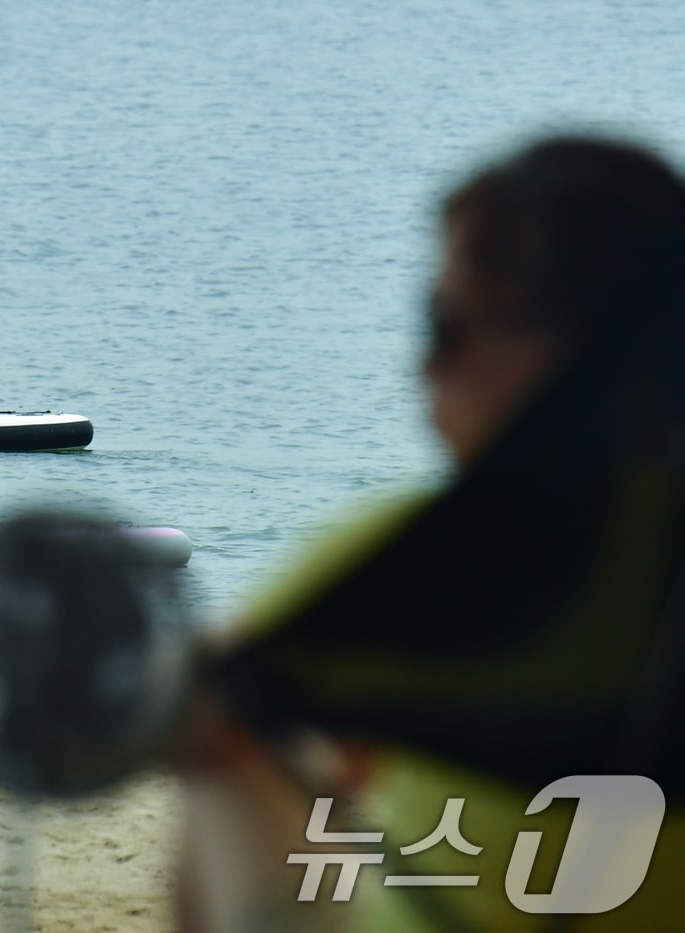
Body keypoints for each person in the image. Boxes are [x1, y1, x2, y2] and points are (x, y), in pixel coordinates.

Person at [168, 136, 685, 930]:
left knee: (228, 755)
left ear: (578, 352)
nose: (424, 368)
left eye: (445, 327)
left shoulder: (409, 555)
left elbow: (204, 713)